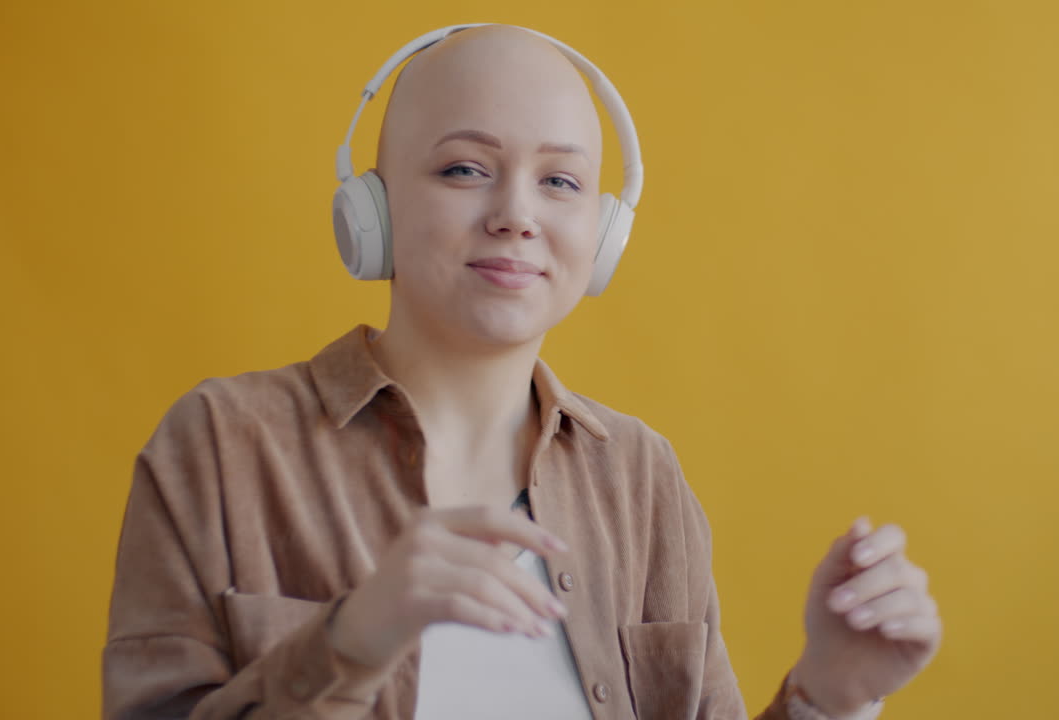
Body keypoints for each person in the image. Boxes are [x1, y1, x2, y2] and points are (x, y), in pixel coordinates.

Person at [103, 24, 942, 720]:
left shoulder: (641, 479)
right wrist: (351, 640)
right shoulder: (222, 445)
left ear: (603, 234)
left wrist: (833, 697)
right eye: (465, 169)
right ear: (371, 210)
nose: (516, 216)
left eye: (561, 181)